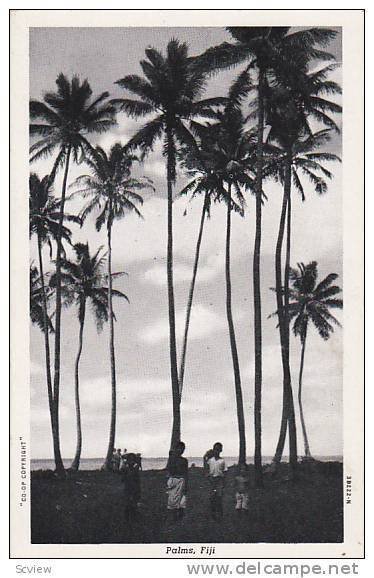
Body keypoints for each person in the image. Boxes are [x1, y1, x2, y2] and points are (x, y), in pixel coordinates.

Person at [166, 441, 188, 521]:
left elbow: (186, 473)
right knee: (172, 500)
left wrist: (186, 484)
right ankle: (173, 518)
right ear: (176, 449)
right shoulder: (172, 460)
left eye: (183, 449)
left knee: (182, 501)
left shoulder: (184, 460)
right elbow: (169, 470)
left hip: (181, 480)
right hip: (173, 480)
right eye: (179, 448)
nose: (181, 450)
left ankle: (180, 518)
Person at [207, 442, 226, 520]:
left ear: (221, 450)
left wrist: (224, 482)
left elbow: (225, 472)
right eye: (215, 449)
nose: (216, 451)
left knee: (219, 497)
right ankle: (213, 514)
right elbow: (207, 469)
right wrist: (208, 477)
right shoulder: (210, 460)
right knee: (212, 497)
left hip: (219, 480)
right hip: (212, 480)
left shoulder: (222, 461)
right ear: (213, 450)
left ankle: (220, 514)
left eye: (218, 449)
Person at [122, 452, 141, 524]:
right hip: (131, 488)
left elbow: (123, 480)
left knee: (130, 503)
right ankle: (130, 518)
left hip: (131, 488)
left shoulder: (128, 469)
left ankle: (129, 518)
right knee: (131, 504)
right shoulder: (132, 470)